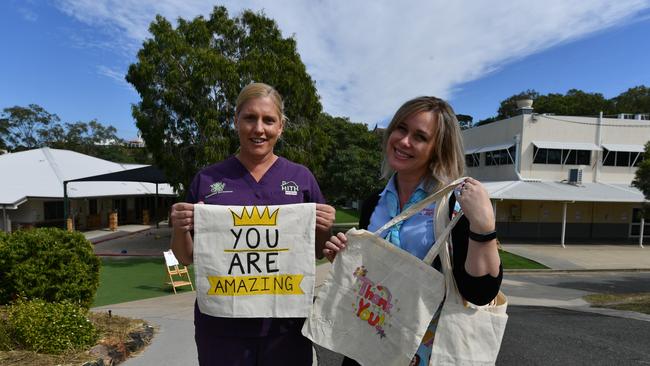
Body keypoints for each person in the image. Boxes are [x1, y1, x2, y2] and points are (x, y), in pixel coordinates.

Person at [323, 96, 502, 366]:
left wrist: (484, 227)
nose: (404, 141)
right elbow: (369, 277)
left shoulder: (455, 204)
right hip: (366, 344)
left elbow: (480, 292)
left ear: (437, 149)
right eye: (401, 129)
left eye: (419, 136)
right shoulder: (375, 202)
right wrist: (344, 259)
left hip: (427, 352)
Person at [170, 82, 335, 366]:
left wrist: (324, 225)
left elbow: (318, 252)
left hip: (286, 329)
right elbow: (184, 256)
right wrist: (179, 226)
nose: (259, 129)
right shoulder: (208, 179)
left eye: (269, 120)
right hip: (222, 329)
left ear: (280, 127)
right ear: (236, 121)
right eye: (250, 118)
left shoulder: (301, 178)